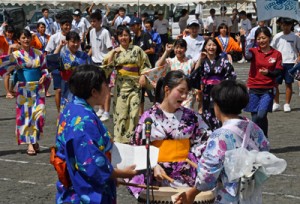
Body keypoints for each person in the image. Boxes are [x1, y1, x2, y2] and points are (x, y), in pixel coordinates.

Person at [174, 80, 269, 204]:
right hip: (251, 194)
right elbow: (265, 151)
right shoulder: (254, 128)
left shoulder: (219, 136)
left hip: (228, 196)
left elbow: (208, 174)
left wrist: (193, 192)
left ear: (217, 106)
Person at [54, 64, 137, 203]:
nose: (108, 88)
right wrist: (118, 173)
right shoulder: (83, 122)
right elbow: (91, 163)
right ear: (94, 92)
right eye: (105, 84)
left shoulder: (72, 107)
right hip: (84, 190)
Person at [128, 70, 210, 199]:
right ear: (167, 89)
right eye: (180, 91)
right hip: (156, 175)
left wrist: (193, 160)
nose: (184, 96)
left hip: (185, 174)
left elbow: (204, 141)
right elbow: (137, 147)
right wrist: (152, 165)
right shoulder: (149, 117)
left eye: (186, 93)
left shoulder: (192, 116)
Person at [0, 29, 51, 155]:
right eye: (23, 38)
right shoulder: (17, 55)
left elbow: (44, 69)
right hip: (24, 90)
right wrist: (11, 50)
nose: (26, 40)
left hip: (38, 89)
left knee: (39, 115)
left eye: (28, 37)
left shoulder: (39, 54)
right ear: (19, 40)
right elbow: (5, 64)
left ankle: (34, 140)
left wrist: (44, 76)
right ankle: (30, 143)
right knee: (27, 117)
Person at [103, 25, 151, 143]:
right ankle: (120, 140)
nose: (123, 38)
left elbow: (145, 66)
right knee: (121, 113)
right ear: (117, 37)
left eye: (125, 35)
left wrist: (143, 76)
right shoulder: (115, 51)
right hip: (121, 87)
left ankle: (132, 139)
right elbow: (107, 69)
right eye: (121, 35)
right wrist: (113, 54)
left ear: (130, 36)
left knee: (134, 113)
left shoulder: (137, 50)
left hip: (135, 86)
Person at [244, 27, 283, 137]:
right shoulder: (254, 51)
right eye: (259, 38)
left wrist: (268, 73)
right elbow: (247, 56)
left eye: (264, 38)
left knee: (261, 115)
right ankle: (259, 141)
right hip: (253, 88)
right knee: (255, 118)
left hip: (268, 89)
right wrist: (246, 41)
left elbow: (278, 71)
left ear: (269, 38)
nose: (261, 41)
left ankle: (263, 138)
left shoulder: (276, 54)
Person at [192, 37, 236, 130]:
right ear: (205, 47)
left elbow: (231, 74)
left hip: (220, 91)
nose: (211, 47)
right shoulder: (203, 61)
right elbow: (194, 75)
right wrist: (200, 58)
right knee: (207, 114)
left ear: (217, 47)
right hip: (207, 92)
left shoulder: (223, 60)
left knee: (220, 113)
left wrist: (224, 87)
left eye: (213, 45)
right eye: (209, 45)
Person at [53, 31, 90, 112]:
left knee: (81, 110)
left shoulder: (83, 55)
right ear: (67, 42)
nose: (76, 44)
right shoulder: (63, 54)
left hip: (81, 86)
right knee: (67, 110)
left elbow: (89, 70)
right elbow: (52, 61)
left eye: (78, 42)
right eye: (73, 42)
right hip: (67, 86)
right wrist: (60, 46)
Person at [157, 39, 197, 109]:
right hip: (173, 92)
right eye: (177, 47)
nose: (179, 50)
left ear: (185, 49)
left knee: (186, 114)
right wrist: (166, 52)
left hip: (187, 93)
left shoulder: (190, 62)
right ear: (174, 48)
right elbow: (159, 65)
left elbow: (196, 73)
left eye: (181, 47)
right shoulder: (170, 61)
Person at [88, 11, 113, 121]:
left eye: (94, 21)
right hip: (94, 62)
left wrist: (109, 65)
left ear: (100, 21)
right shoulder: (91, 32)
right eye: (91, 21)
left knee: (105, 89)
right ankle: (101, 109)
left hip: (103, 64)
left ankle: (107, 112)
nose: (92, 23)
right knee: (96, 87)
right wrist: (86, 58)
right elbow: (92, 48)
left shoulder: (105, 32)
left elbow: (110, 50)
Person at [271, 17, 300, 112]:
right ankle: (276, 103)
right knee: (275, 84)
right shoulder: (277, 36)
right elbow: (272, 48)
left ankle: (287, 104)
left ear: (291, 25)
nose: (285, 27)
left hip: (290, 63)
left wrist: (298, 58)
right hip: (278, 63)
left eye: (288, 25)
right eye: (284, 25)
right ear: (281, 25)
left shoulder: (295, 37)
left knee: (288, 84)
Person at [45, 14, 73, 112]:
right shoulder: (54, 37)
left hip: (71, 67)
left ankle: (69, 110)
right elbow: (48, 52)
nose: (68, 27)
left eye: (69, 25)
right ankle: (59, 112)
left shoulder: (73, 36)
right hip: (57, 67)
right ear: (61, 25)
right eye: (66, 25)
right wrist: (49, 69)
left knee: (71, 89)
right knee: (59, 90)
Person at [130, 17, 155, 115]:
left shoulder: (146, 35)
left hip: (148, 68)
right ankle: (140, 114)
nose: (132, 27)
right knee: (140, 91)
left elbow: (152, 50)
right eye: (131, 26)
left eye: (133, 25)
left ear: (139, 26)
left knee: (152, 92)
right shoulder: (135, 38)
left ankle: (156, 111)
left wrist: (140, 52)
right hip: (139, 69)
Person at [0, 25, 20, 99]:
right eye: (8, 32)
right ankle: (8, 92)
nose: (10, 34)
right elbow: (7, 56)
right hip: (1, 62)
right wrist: (10, 47)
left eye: (11, 32)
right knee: (7, 74)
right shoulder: (1, 39)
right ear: (5, 32)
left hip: (9, 62)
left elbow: (14, 55)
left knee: (18, 71)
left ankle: (11, 89)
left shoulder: (14, 41)